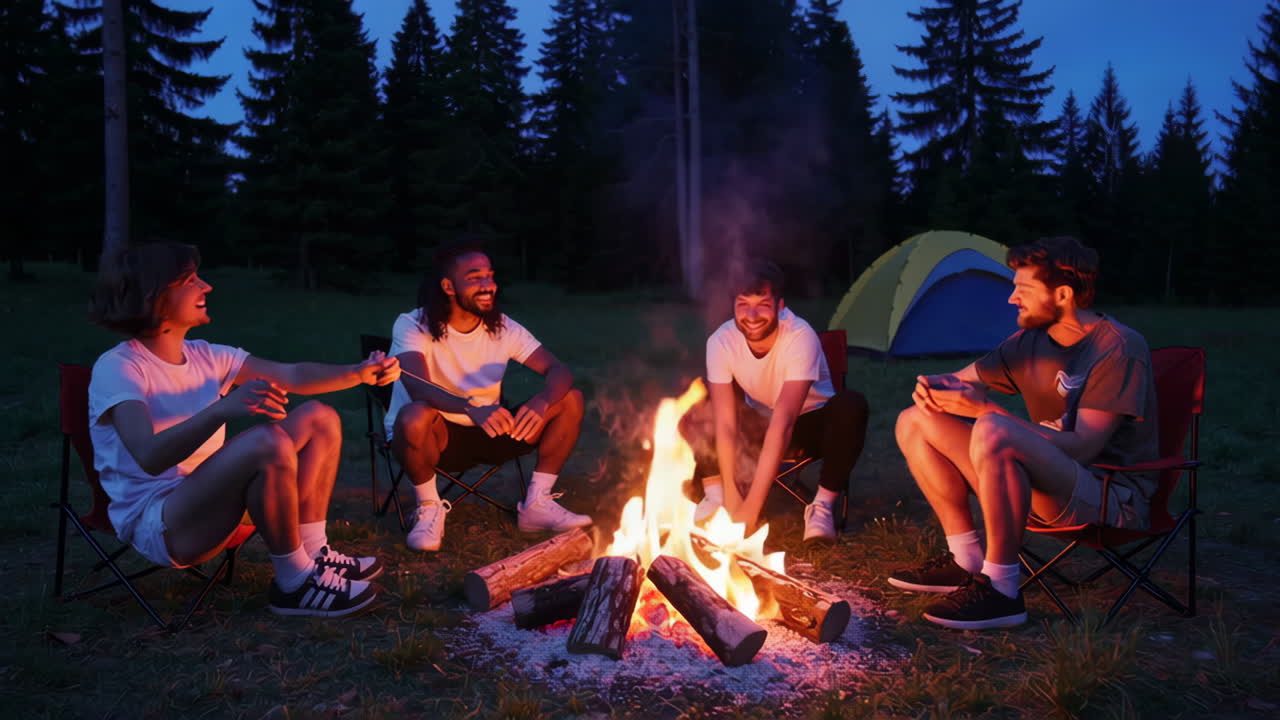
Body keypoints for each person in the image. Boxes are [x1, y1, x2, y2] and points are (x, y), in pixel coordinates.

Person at [88, 242, 400, 618]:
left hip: (208, 498)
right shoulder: (120, 367)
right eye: (190, 280)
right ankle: (293, 583)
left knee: (319, 417)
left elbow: (292, 374)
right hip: (163, 524)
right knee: (265, 441)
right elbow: (150, 457)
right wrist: (223, 409)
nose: (207, 287)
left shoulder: (206, 355)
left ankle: (313, 555)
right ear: (155, 295)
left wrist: (358, 372)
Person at [889, 236, 1158, 630]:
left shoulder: (1117, 347)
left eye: (1023, 289)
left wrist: (986, 411)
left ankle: (1001, 590)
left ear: (1063, 294)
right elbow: (963, 380)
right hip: (1040, 484)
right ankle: (966, 560)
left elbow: (1084, 447)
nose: (1012, 298)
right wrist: (935, 386)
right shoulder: (1029, 342)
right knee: (913, 419)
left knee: (994, 425)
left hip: (1107, 496)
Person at [386, 240, 590, 551]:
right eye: (474, 277)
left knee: (569, 398)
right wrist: (470, 408)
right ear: (448, 286)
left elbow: (559, 371)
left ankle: (536, 503)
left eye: (490, 276)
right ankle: (428, 507)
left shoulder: (503, 327)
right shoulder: (413, 323)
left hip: (490, 428)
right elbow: (417, 386)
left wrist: (543, 400)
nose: (487, 285)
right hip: (434, 438)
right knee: (415, 414)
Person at [681, 259, 869, 541]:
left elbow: (784, 424)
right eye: (743, 304)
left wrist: (751, 510)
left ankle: (822, 506)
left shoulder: (800, 336)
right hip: (757, 425)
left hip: (809, 426)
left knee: (851, 405)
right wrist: (733, 500)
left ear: (780, 307)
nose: (752, 315)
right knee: (698, 403)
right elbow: (725, 424)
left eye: (763, 305)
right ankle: (716, 498)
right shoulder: (721, 341)